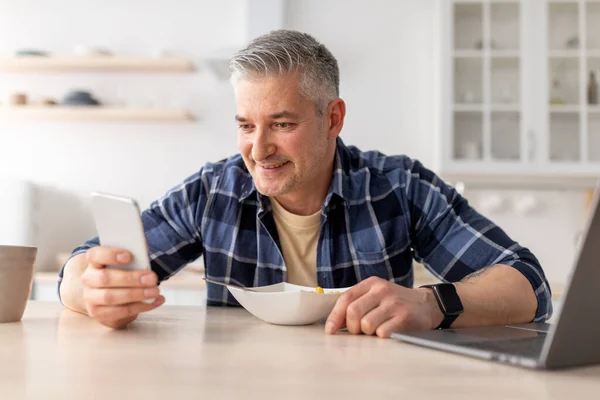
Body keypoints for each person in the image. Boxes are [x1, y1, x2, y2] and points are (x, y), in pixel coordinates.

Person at [58, 30, 552, 336]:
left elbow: (528, 283)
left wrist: (432, 303)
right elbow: (85, 264)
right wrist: (89, 290)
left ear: (333, 118)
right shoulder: (213, 191)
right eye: (246, 126)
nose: (259, 149)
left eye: (282, 124)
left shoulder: (398, 187)